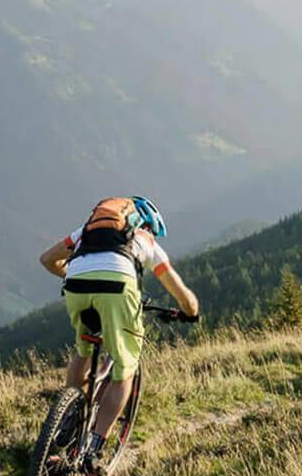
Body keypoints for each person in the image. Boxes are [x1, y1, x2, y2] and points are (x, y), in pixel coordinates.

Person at [39, 196, 200, 461]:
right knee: (125, 368)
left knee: (83, 349)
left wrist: (78, 276)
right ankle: (94, 447)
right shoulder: (146, 242)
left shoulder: (86, 233)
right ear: (147, 225)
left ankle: (68, 418)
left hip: (76, 282)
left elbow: (47, 259)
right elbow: (179, 290)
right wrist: (191, 312)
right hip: (117, 287)